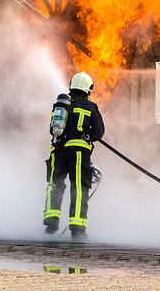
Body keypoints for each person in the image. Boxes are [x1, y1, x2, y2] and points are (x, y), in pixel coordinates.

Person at [43, 71, 105, 239]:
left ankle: (51, 222)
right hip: (79, 153)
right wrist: (88, 135)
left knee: (55, 184)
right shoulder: (91, 107)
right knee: (78, 188)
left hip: (58, 151)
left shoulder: (60, 106)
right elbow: (99, 132)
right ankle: (77, 229)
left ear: (71, 86)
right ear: (88, 89)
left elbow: (52, 129)